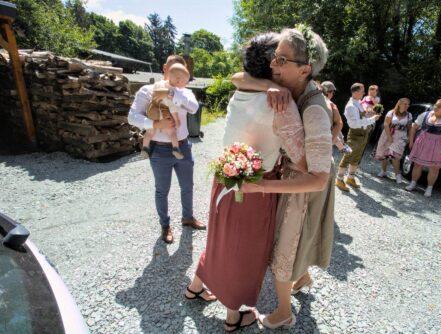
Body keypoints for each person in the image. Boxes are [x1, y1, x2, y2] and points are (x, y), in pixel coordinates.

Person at [186, 32, 308, 332]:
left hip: (224, 176)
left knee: (219, 239)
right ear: (272, 65)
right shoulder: (281, 100)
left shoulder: (243, 89)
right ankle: (233, 314)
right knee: (244, 249)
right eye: (279, 58)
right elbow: (302, 159)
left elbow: (236, 77)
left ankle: (195, 287)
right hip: (254, 184)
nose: (281, 63)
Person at [232, 24, 334, 330]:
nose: (272, 66)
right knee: (296, 241)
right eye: (275, 57)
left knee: (284, 248)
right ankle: (302, 277)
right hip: (293, 177)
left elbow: (318, 178)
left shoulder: (315, 110)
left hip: (303, 185)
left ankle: (283, 312)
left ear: (304, 69)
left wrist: (262, 185)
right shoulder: (288, 86)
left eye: (281, 61)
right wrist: (268, 87)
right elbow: (237, 77)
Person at [128, 55, 205, 244]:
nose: (177, 75)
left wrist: (172, 94)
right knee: (162, 190)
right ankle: (165, 225)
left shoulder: (185, 93)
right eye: (173, 69)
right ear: (165, 68)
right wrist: (155, 123)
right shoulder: (147, 90)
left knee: (187, 186)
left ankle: (187, 217)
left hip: (183, 146)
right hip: (160, 149)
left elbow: (194, 108)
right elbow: (132, 117)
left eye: (181, 71)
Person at [406, 98, 441, 197]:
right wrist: (411, 141)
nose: (436, 107)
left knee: (434, 168)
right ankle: (413, 183)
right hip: (422, 142)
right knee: (417, 164)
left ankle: (429, 188)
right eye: (435, 105)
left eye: (439, 106)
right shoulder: (425, 115)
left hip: (437, 144)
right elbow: (414, 127)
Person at [336, 83, 381, 191]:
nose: (364, 93)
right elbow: (354, 124)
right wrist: (372, 119)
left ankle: (350, 178)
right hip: (355, 134)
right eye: (362, 91)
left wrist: (369, 114)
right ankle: (339, 179)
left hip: (363, 133)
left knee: (357, 157)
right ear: (355, 92)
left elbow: (362, 115)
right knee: (348, 155)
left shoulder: (358, 103)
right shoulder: (351, 106)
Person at [142, 64, 191, 159]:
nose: (186, 84)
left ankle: (145, 147)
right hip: (163, 112)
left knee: (149, 131)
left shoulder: (158, 84)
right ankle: (176, 148)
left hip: (152, 110)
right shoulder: (171, 92)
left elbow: (152, 96)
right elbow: (173, 109)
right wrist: (177, 120)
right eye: (185, 82)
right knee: (172, 132)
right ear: (177, 80)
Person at [374, 98, 412, 183]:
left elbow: (410, 128)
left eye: (408, 104)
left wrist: (409, 138)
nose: (407, 106)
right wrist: (389, 136)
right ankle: (383, 171)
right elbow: (386, 124)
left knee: (396, 156)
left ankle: (397, 175)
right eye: (405, 104)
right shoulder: (391, 112)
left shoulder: (409, 115)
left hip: (400, 136)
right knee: (385, 154)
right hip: (388, 134)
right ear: (399, 104)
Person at [321, 81, 351, 154]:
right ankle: (342, 147)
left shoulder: (312, 101)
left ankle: (342, 146)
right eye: (332, 93)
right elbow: (339, 124)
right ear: (329, 92)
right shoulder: (331, 105)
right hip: (325, 138)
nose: (333, 95)